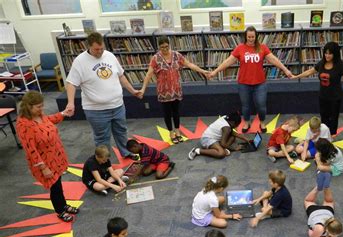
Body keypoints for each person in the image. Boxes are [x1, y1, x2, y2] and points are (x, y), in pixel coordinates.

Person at [65, 32, 140, 160]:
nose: (100, 52)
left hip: (117, 105)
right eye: (96, 49)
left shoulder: (109, 55)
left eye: (101, 48)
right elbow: (71, 83)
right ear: (88, 46)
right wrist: (70, 103)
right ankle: (104, 161)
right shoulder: (80, 61)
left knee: (121, 131)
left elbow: (120, 75)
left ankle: (126, 153)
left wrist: (132, 91)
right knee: (102, 137)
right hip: (96, 110)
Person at [208, 26, 294, 133]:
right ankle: (247, 122)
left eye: (253, 37)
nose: (251, 39)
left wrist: (285, 70)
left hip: (260, 84)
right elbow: (228, 61)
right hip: (244, 84)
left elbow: (273, 59)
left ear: (256, 36)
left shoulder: (262, 47)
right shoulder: (240, 48)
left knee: (261, 105)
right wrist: (215, 71)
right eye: (249, 37)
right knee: (246, 106)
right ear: (245, 36)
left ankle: (262, 122)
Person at [17, 91, 78, 222]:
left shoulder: (39, 115)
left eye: (42, 106)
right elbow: (30, 149)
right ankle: (60, 210)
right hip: (44, 161)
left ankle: (64, 205)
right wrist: (43, 167)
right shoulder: (23, 124)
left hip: (56, 156)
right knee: (54, 187)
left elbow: (49, 120)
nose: (41, 109)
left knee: (58, 183)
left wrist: (63, 113)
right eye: (38, 107)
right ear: (28, 106)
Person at [137, 36, 208, 144]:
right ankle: (171, 132)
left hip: (176, 89)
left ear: (169, 45)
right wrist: (143, 89)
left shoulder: (176, 55)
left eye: (166, 47)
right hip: (164, 91)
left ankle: (177, 131)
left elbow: (189, 64)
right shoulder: (155, 58)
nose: (165, 49)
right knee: (167, 112)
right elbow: (149, 74)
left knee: (176, 111)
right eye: (162, 48)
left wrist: (203, 71)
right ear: (159, 47)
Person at [292, 42, 343, 135]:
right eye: (326, 53)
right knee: (324, 116)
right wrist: (297, 76)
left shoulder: (339, 65)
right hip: (323, 96)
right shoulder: (322, 63)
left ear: (335, 54)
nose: (327, 55)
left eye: (330, 53)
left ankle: (332, 135)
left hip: (335, 97)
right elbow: (310, 71)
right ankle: (324, 133)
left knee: (333, 117)